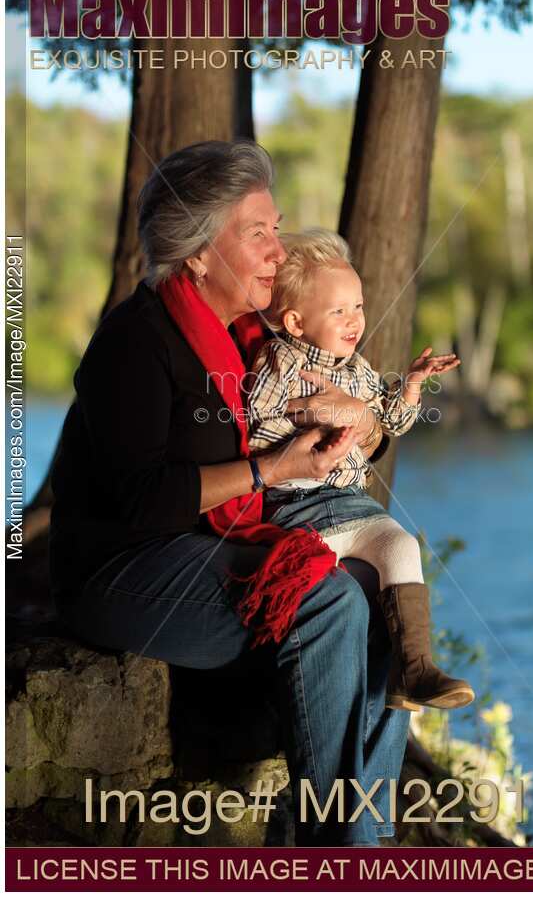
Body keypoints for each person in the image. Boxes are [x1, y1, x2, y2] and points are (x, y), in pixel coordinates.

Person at [49, 139, 409, 847]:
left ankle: (370, 837)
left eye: (276, 229)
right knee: (327, 595)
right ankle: (342, 854)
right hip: (122, 571)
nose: (279, 250)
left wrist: (363, 427)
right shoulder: (135, 342)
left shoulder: (254, 338)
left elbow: (352, 413)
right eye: (258, 233)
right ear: (199, 251)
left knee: (386, 590)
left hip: (205, 547)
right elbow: (145, 501)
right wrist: (270, 472)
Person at [246, 229, 475, 712]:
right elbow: (254, 428)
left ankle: (413, 669)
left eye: (359, 306)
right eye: (339, 311)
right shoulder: (279, 361)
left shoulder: (357, 369)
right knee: (339, 594)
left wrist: (411, 386)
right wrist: (301, 416)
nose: (355, 321)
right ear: (295, 321)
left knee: (401, 545)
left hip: (350, 503)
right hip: (298, 503)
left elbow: (391, 422)